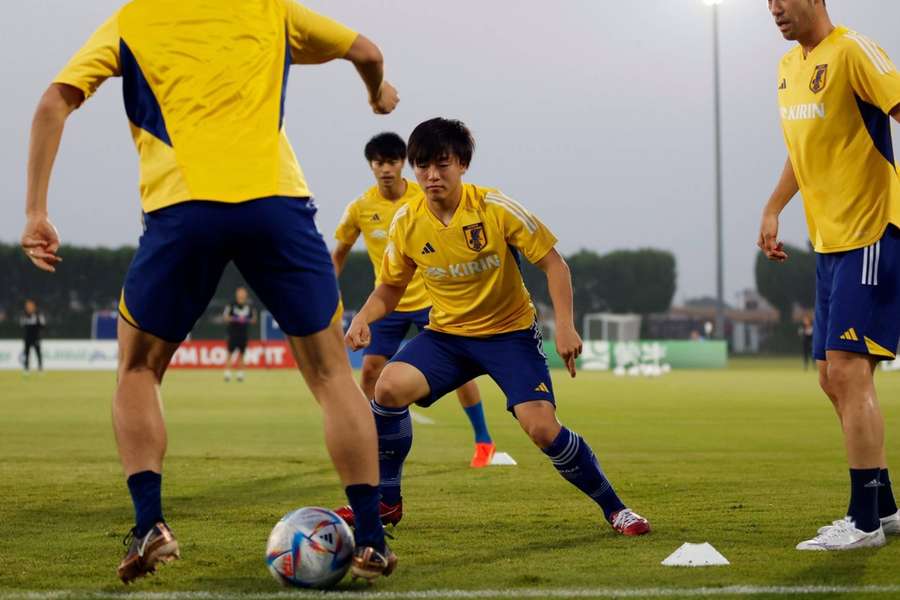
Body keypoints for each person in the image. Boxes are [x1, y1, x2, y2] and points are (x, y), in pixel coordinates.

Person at [21, 0, 400, 583]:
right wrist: (376, 94)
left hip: (183, 208)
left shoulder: (135, 19)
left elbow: (54, 101)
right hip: (276, 205)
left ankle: (151, 524)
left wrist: (36, 211)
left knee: (138, 369)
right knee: (330, 374)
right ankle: (371, 538)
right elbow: (368, 51)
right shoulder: (270, 11)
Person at [341, 118, 650, 536]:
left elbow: (553, 263)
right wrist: (363, 316)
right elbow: (391, 287)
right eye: (423, 166)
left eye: (442, 164)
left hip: (510, 336)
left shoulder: (495, 207)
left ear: (463, 164)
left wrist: (565, 326)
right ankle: (387, 501)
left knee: (541, 429)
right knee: (388, 386)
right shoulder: (406, 222)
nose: (432, 175)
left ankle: (616, 509)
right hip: (447, 337)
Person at [760, 0, 900, 550]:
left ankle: (863, 522)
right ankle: (884, 507)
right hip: (828, 244)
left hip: (871, 234)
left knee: (847, 372)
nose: (773, 9)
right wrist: (774, 207)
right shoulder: (789, 67)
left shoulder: (853, 51)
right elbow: (802, 149)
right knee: (829, 376)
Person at [332, 132, 496, 468]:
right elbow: (340, 253)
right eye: (379, 163)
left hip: (431, 299)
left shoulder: (422, 198)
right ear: (371, 166)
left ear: (402, 164)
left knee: (461, 374)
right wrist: (328, 293)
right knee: (371, 373)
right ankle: (371, 443)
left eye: (392, 162)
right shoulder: (360, 208)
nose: (386, 169)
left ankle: (483, 441)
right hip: (388, 301)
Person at [223, 287, 258, 383]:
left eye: (243, 293)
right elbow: (225, 317)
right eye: (240, 293)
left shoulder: (249, 306)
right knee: (230, 353)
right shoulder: (231, 305)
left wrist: (246, 320)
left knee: (242, 354)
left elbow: (254, 319)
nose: (241, 295)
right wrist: (236, 319)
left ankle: (240, 374)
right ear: (237, 294)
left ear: (246, 295)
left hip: (244, 334)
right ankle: (227, 374)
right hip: (232, 333)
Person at [20, 299, 46, 375]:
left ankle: (40, 368)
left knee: (38, 353)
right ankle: (26, 368)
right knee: (27, 353)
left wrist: (39, 323)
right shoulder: (24, 315)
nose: (29, 307)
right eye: (28, 305)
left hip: (36, 337)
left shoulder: (38, 315)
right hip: (27, 338)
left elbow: (43, 325)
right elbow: (22, 325)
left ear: (34, 306)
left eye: (30, 305)